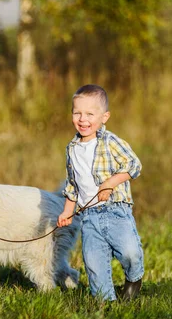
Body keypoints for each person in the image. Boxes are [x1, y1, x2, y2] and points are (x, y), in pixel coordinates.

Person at [57, 84, 144, 301]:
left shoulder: (110, 142)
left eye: (89, 114)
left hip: (116, 211)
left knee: (129, 253)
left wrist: (109, 183)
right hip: (89, 218)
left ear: (104, 117)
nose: (82, 119)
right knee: (94, 264)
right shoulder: (72, 148)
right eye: (77, 113)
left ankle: (134, 278)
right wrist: (67, 212)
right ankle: (105, 303)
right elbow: (72, 186)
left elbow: (134, 165)